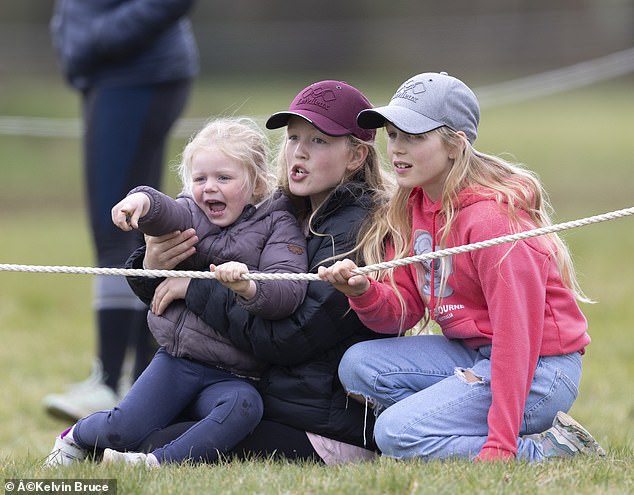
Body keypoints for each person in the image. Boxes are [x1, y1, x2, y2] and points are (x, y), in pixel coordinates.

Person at [318, 72, 606, 462]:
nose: (397, 150)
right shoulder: (414, 204)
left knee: (394, 434)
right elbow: (404, 310)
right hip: (474, 355)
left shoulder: (492, 221)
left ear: (455, 144)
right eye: (393, 135)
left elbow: (515, 341)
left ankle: (548, 450)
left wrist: (501, 447)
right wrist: (363, 293)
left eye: (415, 137)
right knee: (358, 365)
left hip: (539, 372)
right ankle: (438, 428)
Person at [123, 80, 393, 464]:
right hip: (274, 402)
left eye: (318, 141)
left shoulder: (355, 232)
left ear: (355, 157)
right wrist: (150, 266)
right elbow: (197, 265)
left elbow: (287, 339)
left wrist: (194, 289)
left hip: (325, 429)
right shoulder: (280, 209)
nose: (299, 151)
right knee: (139, 427)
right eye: (293, 137)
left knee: (153, 444)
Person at [45, 117, 308, 467]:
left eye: (224, 178)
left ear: (257, 184)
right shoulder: (192, 212)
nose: (209, 188)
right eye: (200, 179)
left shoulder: (280, 223)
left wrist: (248, 286)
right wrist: (141, 201)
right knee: (123, 429)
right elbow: (166, 210)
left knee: (246, 407)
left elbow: (287, 291)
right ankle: (74, 437)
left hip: (237, 374)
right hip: (178, 362)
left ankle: (155, 465)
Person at [44, 0, 198, 421]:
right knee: (131, 225)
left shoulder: (116, 49)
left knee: (115, 224)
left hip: (135, 72)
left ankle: (111, 381)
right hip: (111, 74)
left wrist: (98, 37)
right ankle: (138, 378)